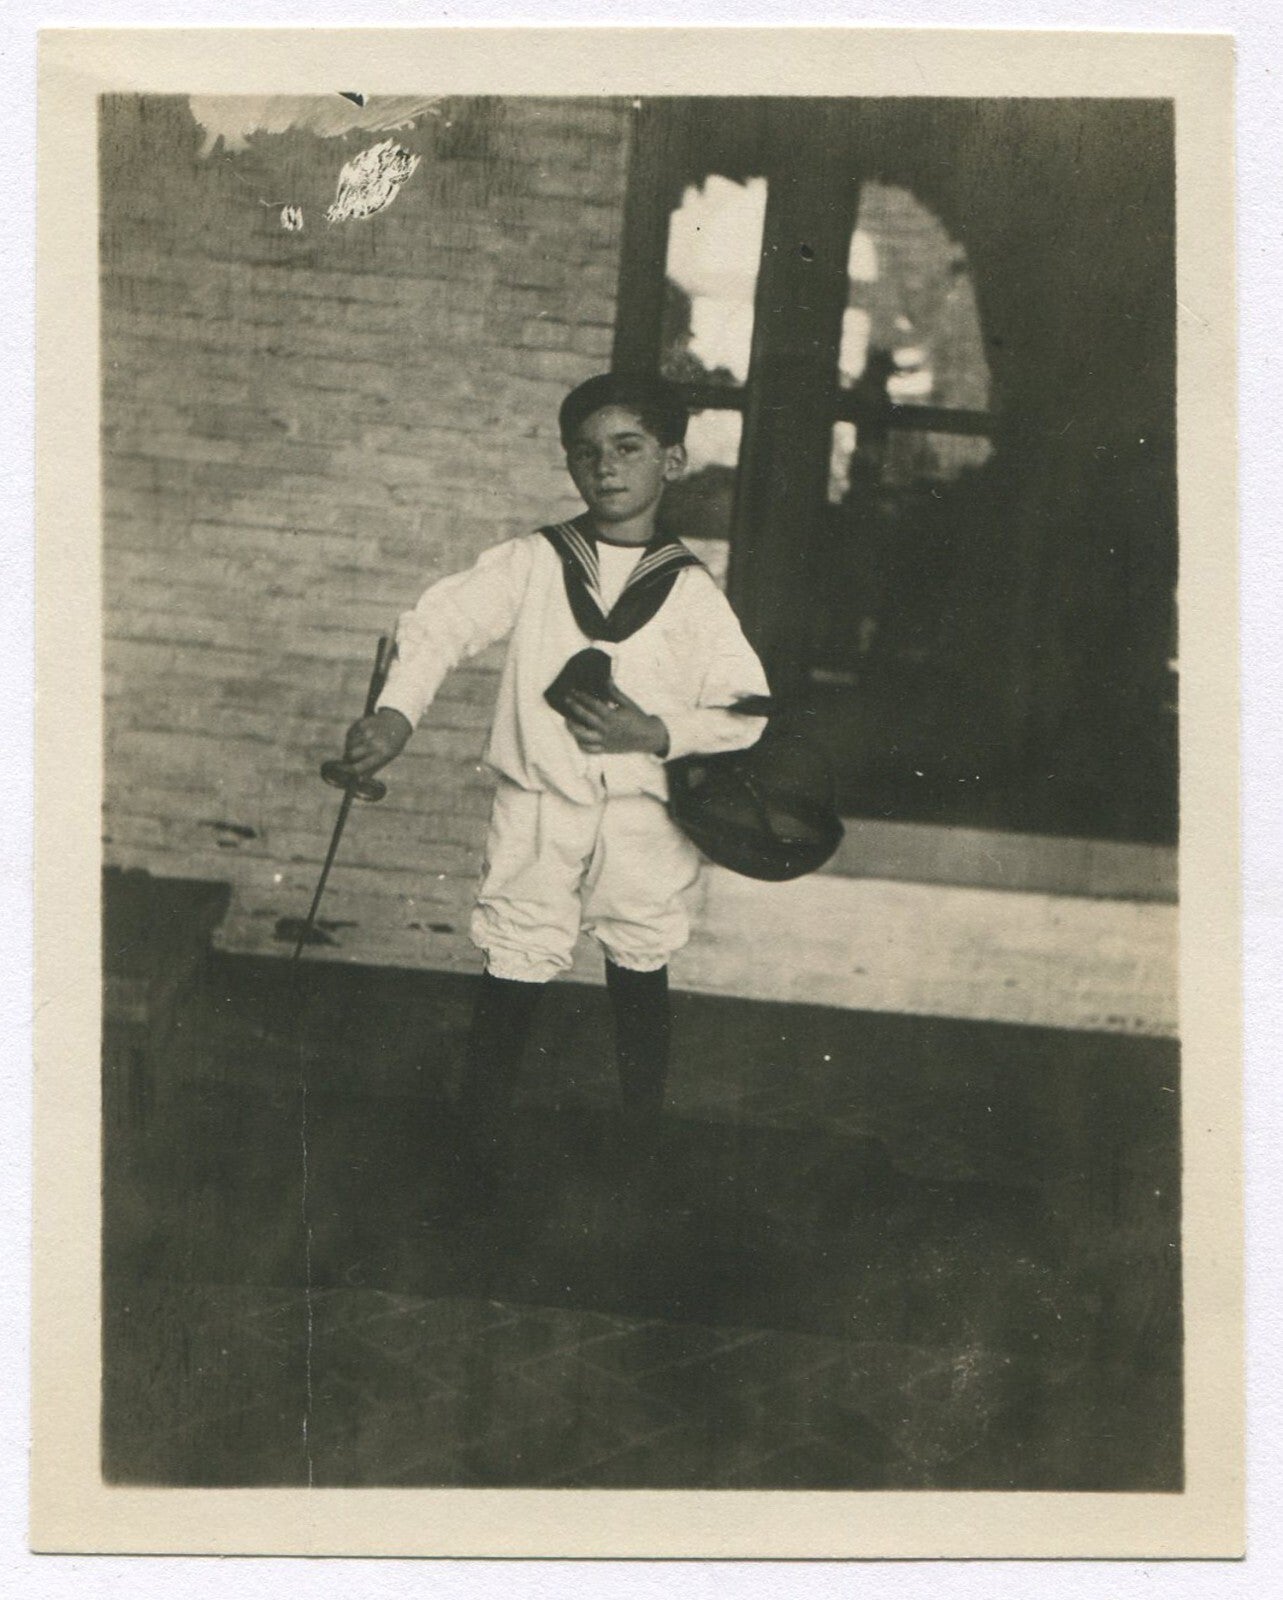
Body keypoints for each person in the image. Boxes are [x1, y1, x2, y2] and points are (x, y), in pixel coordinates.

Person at [341, 371, 769, 1219]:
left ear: (671, 460)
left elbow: (746, 712)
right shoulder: (534, 564)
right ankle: (474, 1159)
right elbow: (438, 629)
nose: (605, 468)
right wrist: (393, 717)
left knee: (639, 961)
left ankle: (639, 1147)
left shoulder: (689, 590)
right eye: (585, 453)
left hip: (644, 816)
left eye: (628, 448)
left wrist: (656, 732)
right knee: (515, 961)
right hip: (539, 803)